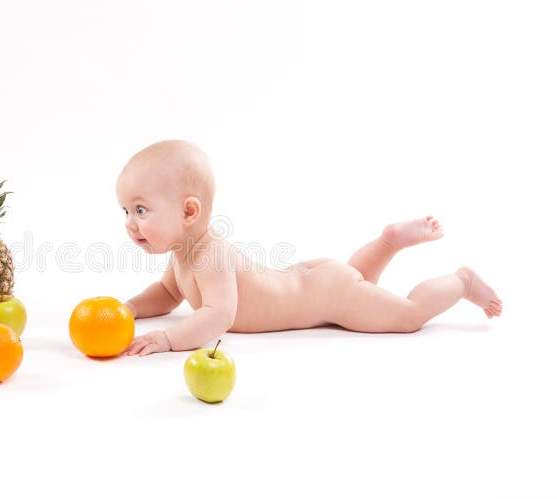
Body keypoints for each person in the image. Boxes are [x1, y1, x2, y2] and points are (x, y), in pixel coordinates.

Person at [116, 140, 502, 356]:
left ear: (188, 211)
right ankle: (387, 242)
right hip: (319, 284)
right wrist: (131, 308)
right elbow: (167, 294)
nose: (131, 222)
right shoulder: (185, 253)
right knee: (357, 283)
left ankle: (462, 281)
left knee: (407, 316)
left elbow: (219, 314)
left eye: (141, 209)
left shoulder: (210, 254)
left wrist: (168, 340)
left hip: (326, 292)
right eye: (126, 211)